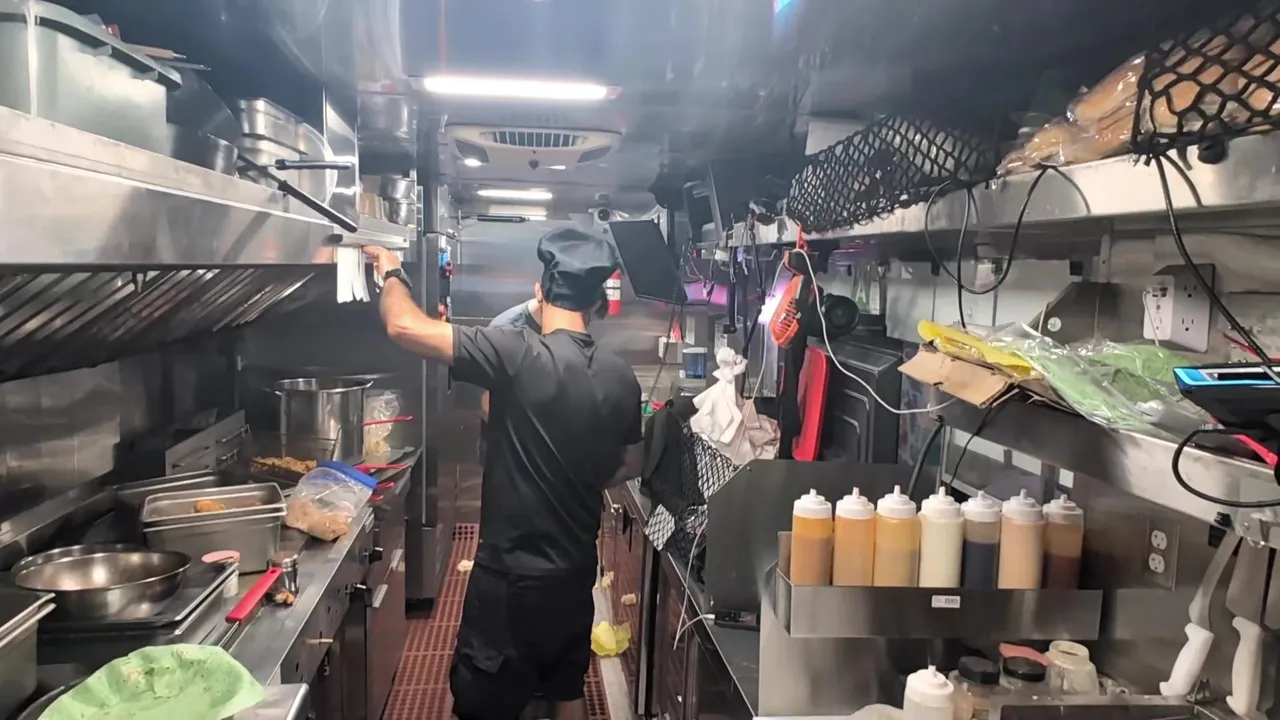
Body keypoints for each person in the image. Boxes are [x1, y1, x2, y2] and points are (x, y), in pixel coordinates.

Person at [363, 227, 643, 720]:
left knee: (483, 702)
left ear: (540, 291)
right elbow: (627, 463)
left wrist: (392, 271)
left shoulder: (516, 353)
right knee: (564, 689)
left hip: (511, 581)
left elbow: (404, 326)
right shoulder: (622, 377)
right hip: (575, 572)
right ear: (598, 303)